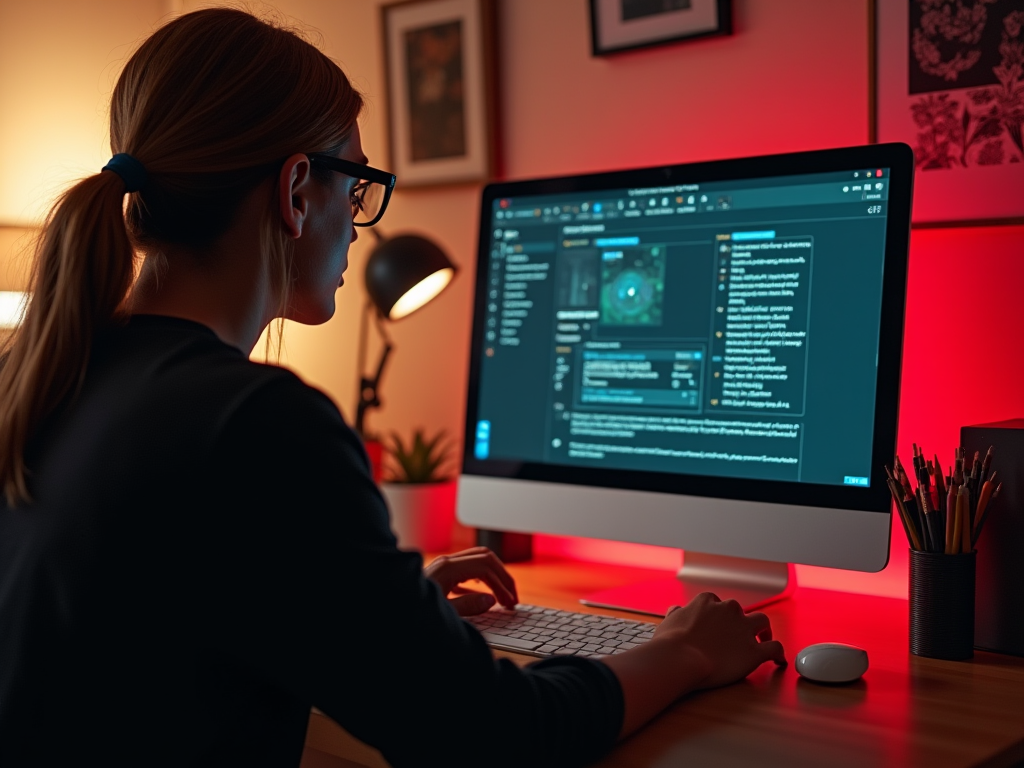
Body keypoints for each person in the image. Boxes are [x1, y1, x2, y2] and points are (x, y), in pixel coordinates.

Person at [0, 9, 785, 768]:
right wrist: (680, 652)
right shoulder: (255, 423)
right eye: (360, 185)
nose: (357, 221)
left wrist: (376, 612)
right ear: (298, 191)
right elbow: (500, 737)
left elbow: (161, 627)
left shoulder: (42, 375)